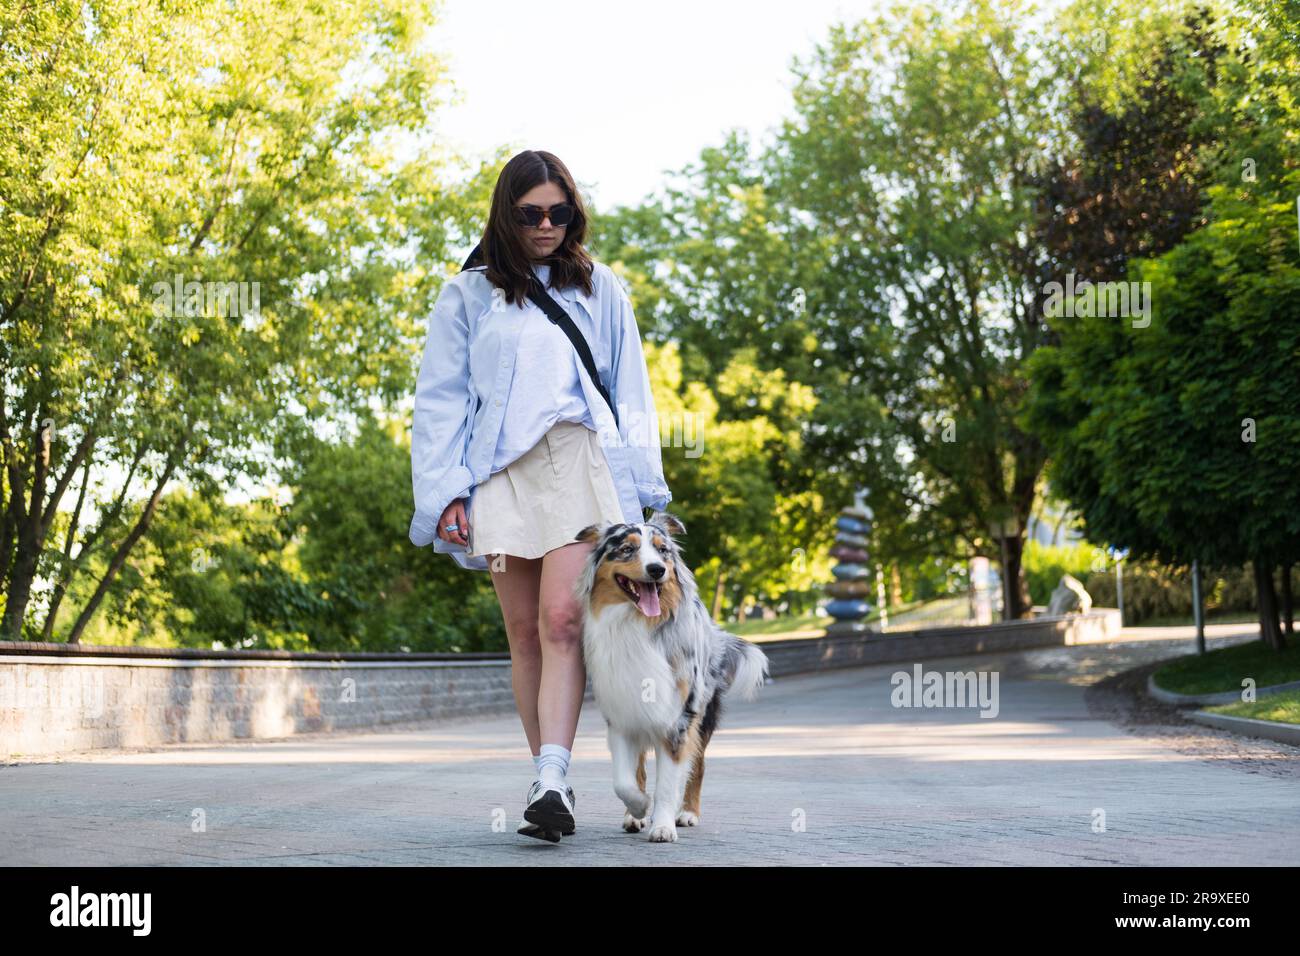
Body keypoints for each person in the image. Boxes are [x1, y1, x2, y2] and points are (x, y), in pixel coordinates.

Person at [408, 150, 672, 841]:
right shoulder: (467, 296)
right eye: (531, 214)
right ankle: (547, 780)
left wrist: (643, 485)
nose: (547, 225)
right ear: (507, 214)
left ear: (573, 213)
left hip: (579, 464)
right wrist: (447, 495)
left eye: (559, 212)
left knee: (562, 620)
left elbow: (632, 388)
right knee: (523, 633)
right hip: (499, 476)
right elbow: (438, 403)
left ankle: (554, 775)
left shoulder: (600, 287)